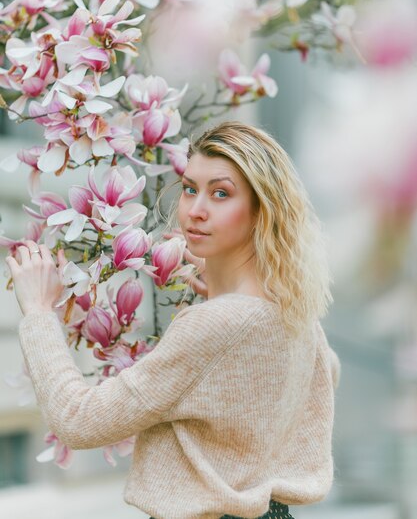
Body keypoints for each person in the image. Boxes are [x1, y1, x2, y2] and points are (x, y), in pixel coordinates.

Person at [6, 120, 340, 519]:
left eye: (221, 193)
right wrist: (221, 296)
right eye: (189, 189)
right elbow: (323, 376)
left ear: (260, 210)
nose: (195, 211)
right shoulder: (297, 318)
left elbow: (78, 421)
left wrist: (40, 312)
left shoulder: (216, 325)